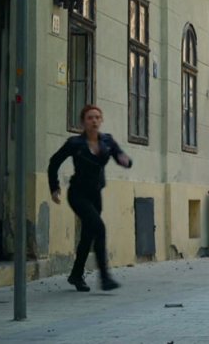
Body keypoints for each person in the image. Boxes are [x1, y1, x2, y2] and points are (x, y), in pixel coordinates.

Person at [48, 104, 132, 292]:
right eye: (89, 118)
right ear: (83, 122)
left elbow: (120, 156)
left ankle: (76, 275)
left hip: (95, 194)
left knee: (88, 234)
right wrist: (54, 187)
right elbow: (54, 163)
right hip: (77, 194)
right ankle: (105, 278)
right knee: (99, 228)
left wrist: (126, 161)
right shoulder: (74, 143)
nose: (94, 121)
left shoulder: (107, 141)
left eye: (97, 117)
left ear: (101, 121)